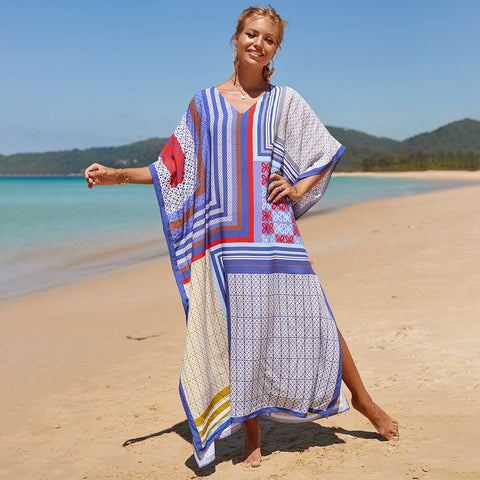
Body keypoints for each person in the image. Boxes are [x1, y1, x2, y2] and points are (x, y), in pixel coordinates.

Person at [85, 5, 399, 468]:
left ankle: (364, 400)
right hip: (225, 236)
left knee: (314, 313)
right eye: (251, 34)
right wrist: (118, 175)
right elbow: (173, 167)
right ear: (235, 38)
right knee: (238, 327)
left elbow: (323, 150)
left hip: (273, 229)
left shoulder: (285, 100)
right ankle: (252, 429)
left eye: (269, 39)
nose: (258, 44)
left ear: (276, 50)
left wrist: (297, 188)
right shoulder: (202, 104)